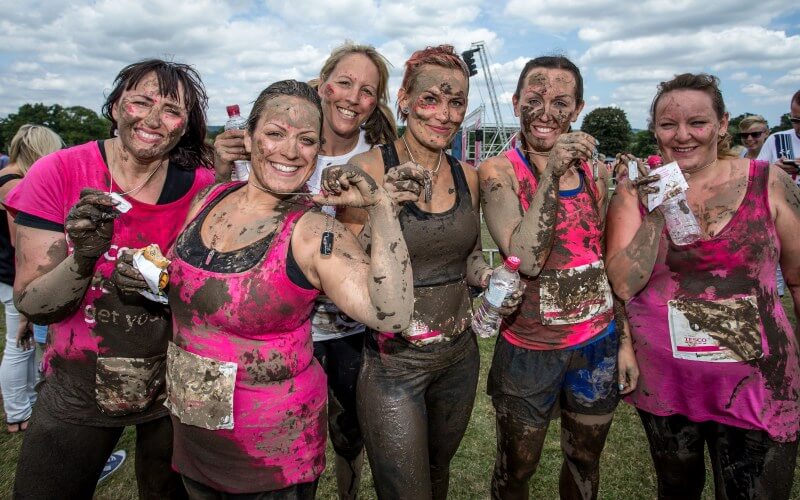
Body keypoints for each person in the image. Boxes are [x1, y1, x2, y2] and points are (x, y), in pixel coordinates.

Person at [124, 79, 414, 498]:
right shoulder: (208, 198)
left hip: (272, 455)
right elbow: (180, 284)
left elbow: (392, 313)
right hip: (193, 431)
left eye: (307, 140)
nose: (291, 151)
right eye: (276, 134)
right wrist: (143, 278)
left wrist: (382, 208)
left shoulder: (315, 231)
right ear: (250, 136)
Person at [6, 58, 215, 498]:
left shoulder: (203, 188)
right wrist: (82, 258)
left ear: (184, 126)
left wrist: (166, 285)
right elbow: (33, 301)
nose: (154, 120)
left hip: (175, 380)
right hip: (78, 377)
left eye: (172, 111)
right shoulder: (58, 172)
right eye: (141, 102)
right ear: (117, 107)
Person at [606, 73, 800, 499]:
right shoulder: (636, 191)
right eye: (668, 125)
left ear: (722, 123)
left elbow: (798, 279)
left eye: (697, 122)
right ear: (655, 129)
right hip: (667, 379)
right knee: (676, 489)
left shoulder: (768, 181)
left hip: (759, 380)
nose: (682, 136)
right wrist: (659, 205)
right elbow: (621, 284)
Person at [338, 45, 497, 500]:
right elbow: (345, 267)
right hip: (394, 364)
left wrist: (486, 278)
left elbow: (467, 256)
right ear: (404, 100)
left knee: (437, 474)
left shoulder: (468, 176)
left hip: (459, 357)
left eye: (456, 102)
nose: (445, 115)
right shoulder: (367, 169)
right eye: (431, 100)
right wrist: (383, 207)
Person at [478, 55, 635, 500]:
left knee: (585, 459)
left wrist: (623, 342)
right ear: (515, 103)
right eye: (535, 98)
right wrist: (551, 173)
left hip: (596, 345)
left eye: (561, 102)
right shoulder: (498, 173)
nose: (547, 112)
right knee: (517, 467)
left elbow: (606, 263)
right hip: (529, 348)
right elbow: (525, 258)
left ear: (578, 109)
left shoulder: (595, 172)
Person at [0, 124, 64, 433]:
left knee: (21, 345)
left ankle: (24, 403)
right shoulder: (15, 184)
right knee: (18, 344)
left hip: (9, 272)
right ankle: (18, 412)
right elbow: (20, 243)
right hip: (14, 274)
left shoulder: (8, 176)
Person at [758, 89, 800, 184]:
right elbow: (754, 176)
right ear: (791, 114)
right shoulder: (777, 140)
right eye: (797, 120)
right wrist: (774, 169)